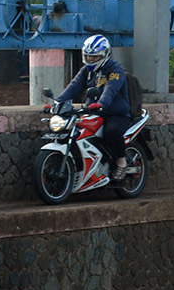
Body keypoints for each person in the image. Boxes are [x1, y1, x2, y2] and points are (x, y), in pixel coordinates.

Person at [56, 34, 131, 182]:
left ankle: (121, 163)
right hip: (94, 111)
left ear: (105, 54)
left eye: (94, 57)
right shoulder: (87, 71)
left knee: (112, 132)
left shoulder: (116, 69)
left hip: (116, 113)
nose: (90, 59)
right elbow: (73, 87)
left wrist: (101, 104)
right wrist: (58, 102)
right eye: (88, 56)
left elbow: (111, 89)